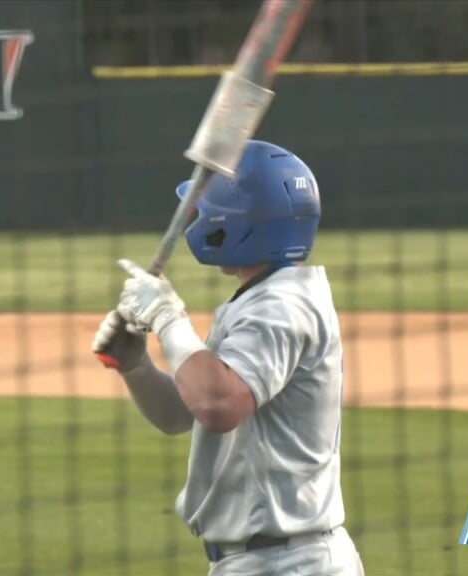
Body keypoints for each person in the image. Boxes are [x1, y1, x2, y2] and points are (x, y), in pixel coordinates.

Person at [92, 140, 364, 575]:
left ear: (238, 221)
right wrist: (136, 366)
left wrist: (167, 317)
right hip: (270, 560)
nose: (199, 217)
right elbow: (182, 414)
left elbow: (217, 406)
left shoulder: (281, 307)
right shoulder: (264, 298)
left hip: (286, 563)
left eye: (207, 207)